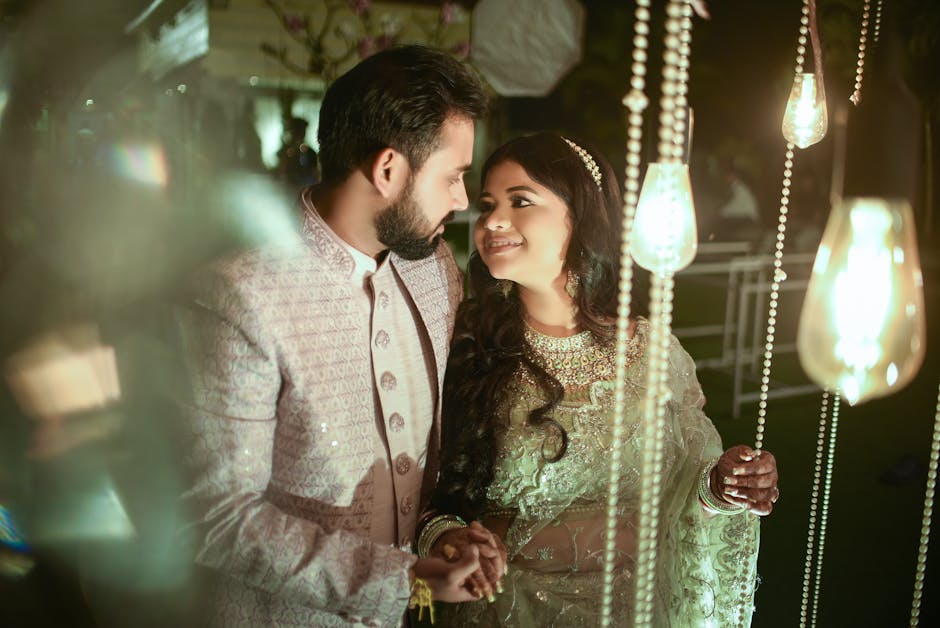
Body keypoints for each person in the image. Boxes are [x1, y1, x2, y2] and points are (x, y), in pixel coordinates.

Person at [174, 45, 505, 626]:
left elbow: (420, 469)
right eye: (453, 177)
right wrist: (399, 581)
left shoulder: (434, 272)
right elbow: (218, 515)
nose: (461, 199)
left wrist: (443, 534)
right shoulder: (241, 294)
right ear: (387, 170)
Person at [415, 132, 779, 626]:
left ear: (581, 216)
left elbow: (684, 486)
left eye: (520, 201)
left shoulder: (653, 352)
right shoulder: (466, 346)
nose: (492, 221)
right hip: (503, 613)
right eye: (487, 205)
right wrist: (448, 536)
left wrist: (724, 484)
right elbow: (422, 500)